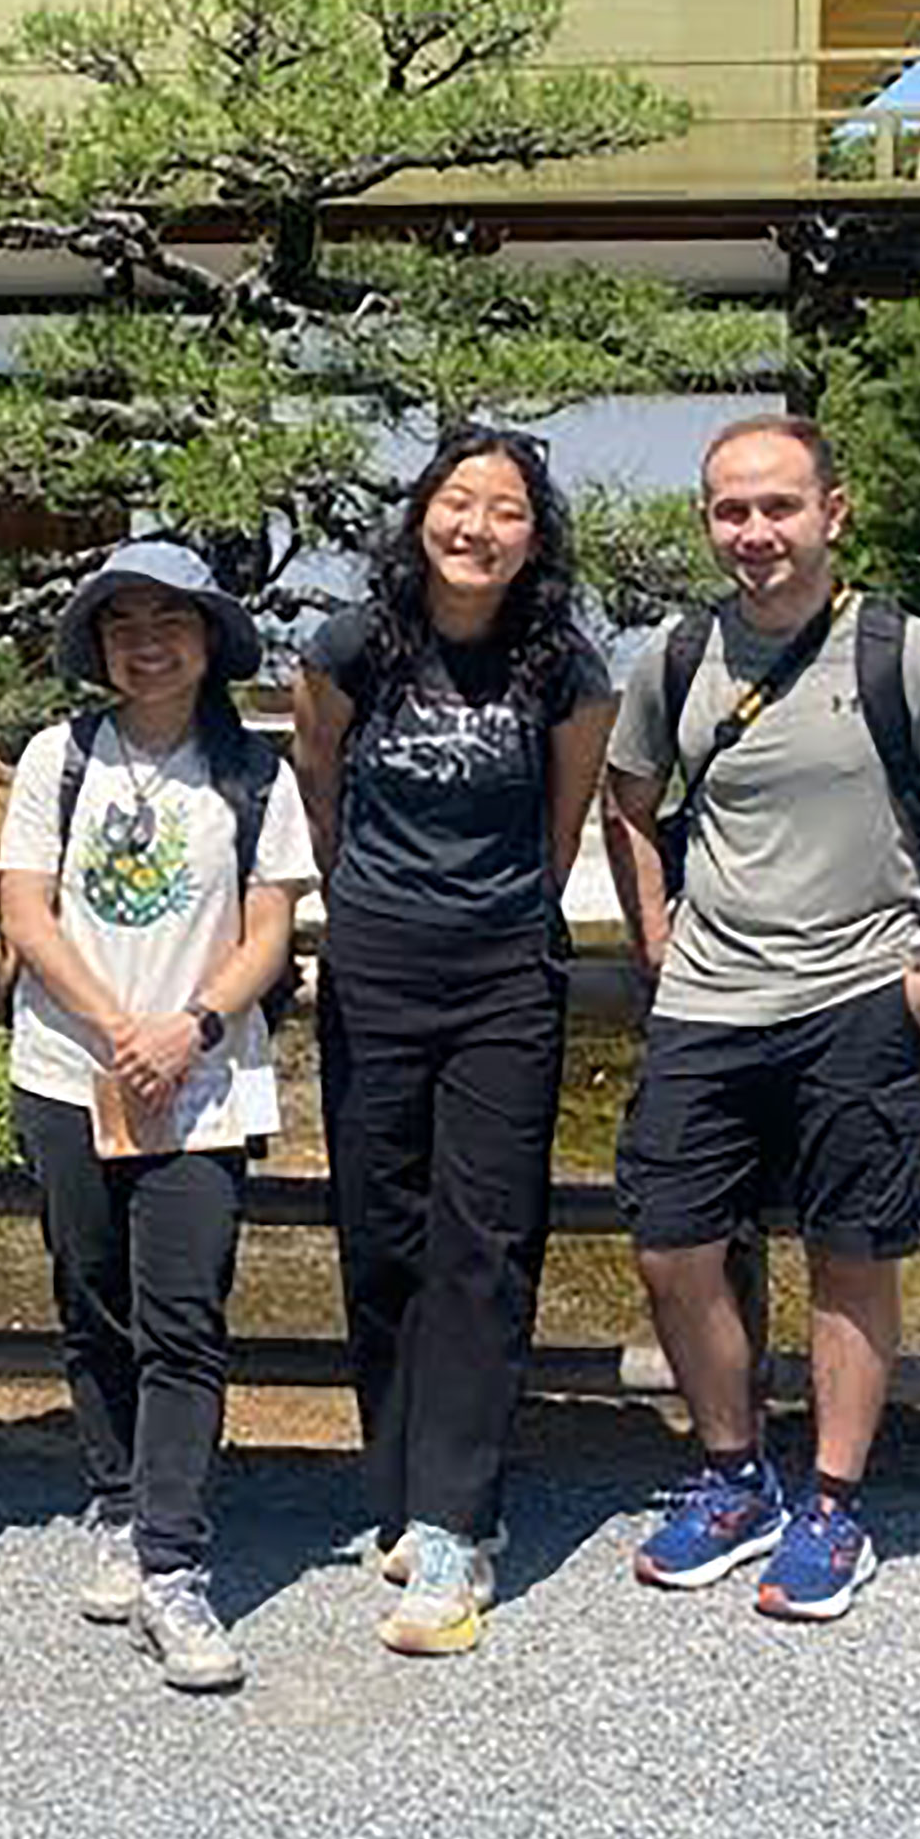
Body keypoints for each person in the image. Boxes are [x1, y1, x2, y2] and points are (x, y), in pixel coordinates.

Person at [601, 414, 920, 1621]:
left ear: (832, 513)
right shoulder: (679, 654)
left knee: (852, 1251)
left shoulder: (907, 653)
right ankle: (735, 1476)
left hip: (858, 995)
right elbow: (628, 802)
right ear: (707, 523)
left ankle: (833, 1504)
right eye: (732, 510)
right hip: (708, 999)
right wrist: (650, 932)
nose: (756, 532)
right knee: (671, 1242)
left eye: (779, 506)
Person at [292, 425, 615, 1656]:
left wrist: (494, 919)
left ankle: (456, 1521)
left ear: (538, 537)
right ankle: (400, 1481)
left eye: (507, 510)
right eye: (457, 501)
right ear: (421, 513)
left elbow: (561, 824)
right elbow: (317, 779)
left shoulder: (566, 670)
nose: (477, 527)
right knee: (379, 1230)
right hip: (375, 959)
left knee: (484, 1241)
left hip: (501, 975)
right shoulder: (354, 646)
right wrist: (361, 897)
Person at [0, 541, 317, 1694]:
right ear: (97, 644)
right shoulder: (57, 757)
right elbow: (26, 909)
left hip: (202, 1078)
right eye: (122, 620)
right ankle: (117, 1499)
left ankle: (175, 1561)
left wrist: (185, 1025)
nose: (146, 639)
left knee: (185, 1315)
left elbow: (271, 928)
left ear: (209, 638)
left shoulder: (254, 773)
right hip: (67, 1064)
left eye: (169, 619)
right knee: (91, 1296)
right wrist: (115, 1023)